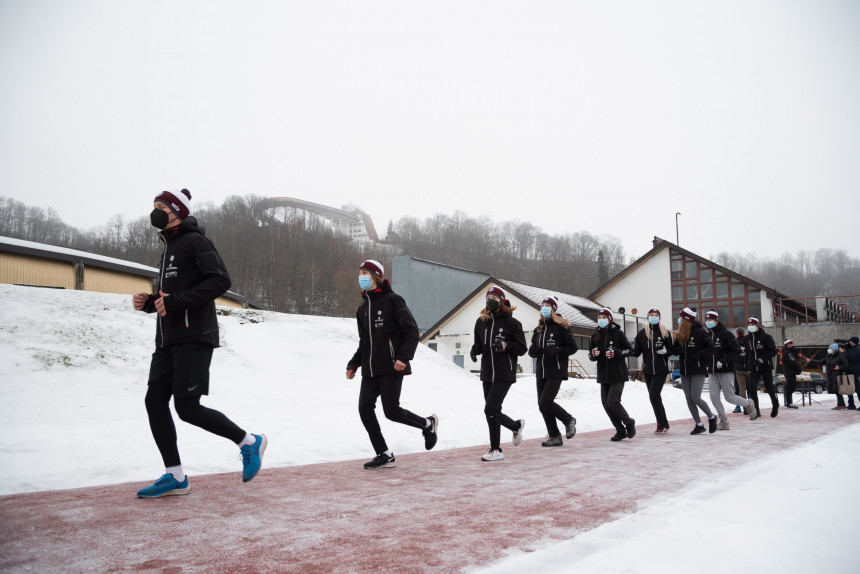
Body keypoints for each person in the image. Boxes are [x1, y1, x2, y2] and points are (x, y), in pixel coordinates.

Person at [133, 189, 265, 499]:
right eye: (154, 206)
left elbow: (220, 281)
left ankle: (249, 442)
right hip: (167, 340)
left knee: (187, 408)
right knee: (154, 402)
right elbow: (170, 299)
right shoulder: (168, 249)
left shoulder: (196, 242)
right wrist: (150, 303)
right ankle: (175, 476)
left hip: (193, 337)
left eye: (162, 206)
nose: (156, 211)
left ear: (178, 211)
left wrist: (175, 301)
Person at [346, 259, 438, 469]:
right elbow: (364, 342)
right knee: (364, 409)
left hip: (391, 366)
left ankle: (428, 424)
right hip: (370, 369)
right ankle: (384, 454)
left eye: (364, 273)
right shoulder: (362, 309)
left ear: (375, 277)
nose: (360, 277)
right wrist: (353, 364)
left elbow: (412, 331)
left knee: (391, 411)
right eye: (360, 273)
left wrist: (403, 358)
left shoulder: (393, 300)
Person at [470, 286, 527, 461]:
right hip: (487, 373)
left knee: (490, 409)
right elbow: (479, 344)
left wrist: (506, 345)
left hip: (504, 373)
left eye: (495, 297)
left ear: (501, 301)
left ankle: (496, 450)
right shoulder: (481, 322)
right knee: (492, 411)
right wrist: (474, 351)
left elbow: (522, 348)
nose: (491, 300)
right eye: (488, 297)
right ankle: (515, 426)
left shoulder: (513, 323)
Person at [528, 296, 579, 447]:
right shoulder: (539, 328)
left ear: (553, 309)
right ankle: (555, 436)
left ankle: (568, 420)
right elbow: (533, 348)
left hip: (556, 370)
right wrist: (532, 351)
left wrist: (557, 350)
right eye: (543, 305)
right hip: (541, 371)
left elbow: (573, 347)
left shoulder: (561, 327)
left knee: (546, 401)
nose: (544, 307)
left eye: (547, 305)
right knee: (541, 405)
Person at [588, 307, 636, 441]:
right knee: (606, 404)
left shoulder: (618, 334)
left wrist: (617, 352)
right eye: (599, 318)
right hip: (603, 375)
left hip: (618, 374)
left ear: (610, 319)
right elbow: (591, 355)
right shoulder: (595, 336)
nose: (601, 320)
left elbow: (630, 350)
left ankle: (629, 422)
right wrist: (593, 354)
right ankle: (620, 430)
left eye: (604, 318)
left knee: (612, 402)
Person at [704, 310, 756, 429]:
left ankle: (748, 403)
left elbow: (736, 351)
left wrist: (724, 361)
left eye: (710, 320)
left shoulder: (726, 334)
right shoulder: (707, 335)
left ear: (716, 321)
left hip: (725, 370)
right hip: (712, 371)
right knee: (714, 398)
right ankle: (724, 422)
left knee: (730, 397)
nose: (708, 322)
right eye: (706, 320)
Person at [631, 308, 674, 433]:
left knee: (654, 395)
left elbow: (672, 349)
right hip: (648, 370)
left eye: (656, 315)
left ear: (659, 318)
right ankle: (664, 422)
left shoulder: (665, 332)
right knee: (654, 397)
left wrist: (666, 351)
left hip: (661, 369)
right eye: (652, 315)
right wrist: (626, 350)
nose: (654, 317)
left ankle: (660, 423)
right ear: (648, 317)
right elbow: (637, 351)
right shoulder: (642, 333)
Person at [676, 307, 717, 435]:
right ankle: (699, 424)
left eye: (681, 317)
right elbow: (675, 348)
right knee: (689, 398)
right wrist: (677, 350)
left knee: (695, 397)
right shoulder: (680, 332)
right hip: (685, 369)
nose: (679, 319)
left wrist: (699, 354)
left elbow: (712, 348)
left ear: (687, 319)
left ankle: (711, 417)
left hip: (698, 369)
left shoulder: (700, 332)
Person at [745, 317, 779, 418]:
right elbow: (747, 353)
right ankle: (756, 411)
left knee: (769, 387)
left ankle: (775, 404)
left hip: (765, 366)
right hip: (753, 367)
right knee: (751, 389)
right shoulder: (747, 338)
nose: (750, 326)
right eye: (749, 325)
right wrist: (746, 364)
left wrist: (763, 359)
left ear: (757, 325)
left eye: (752, 325)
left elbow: (774, 351)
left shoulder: (766, 337)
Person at [809, 343, 852, 410]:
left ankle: (841, 405)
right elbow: (820, 362)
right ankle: (841, 404)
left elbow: (846, 365)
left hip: (838, 376)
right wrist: (810, 361)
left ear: (834, 349)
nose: (828, 349)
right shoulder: (828, 356)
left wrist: (839, 367)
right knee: (836, 391)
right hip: (831, 376)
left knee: (838, 390)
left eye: (830, 348)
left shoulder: (840, 356)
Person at [781, 339, 803, 409]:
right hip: (790, 372)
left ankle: (789, 403)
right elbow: (792, 362)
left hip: (789, 372)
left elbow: (793, 358)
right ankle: (789, 403)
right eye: (791, 344)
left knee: (790, 388)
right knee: (790, 388)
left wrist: (797, 354)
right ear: (788, 345)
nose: (793, 345)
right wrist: (799, 370)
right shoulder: (787, 353)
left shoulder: (787, 352)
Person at [733, 327, 749, 415]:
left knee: (741, 389)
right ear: (744, 334)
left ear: (737, 334)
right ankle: (752, 406)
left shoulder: (734, 343)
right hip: (748, 367)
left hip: (738, 368)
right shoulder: (748, 342)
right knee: (751, 389)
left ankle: (744, 407)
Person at [843, 336, 860, 409]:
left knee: (858, 388)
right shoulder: (850, 349)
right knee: (849, 388)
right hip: (849, 370)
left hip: (855, 371)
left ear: (853, 342)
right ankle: (851, 404)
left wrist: (843, 352)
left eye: (850, 341)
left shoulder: (858, 349)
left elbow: (851, 357)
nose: (849, 342)